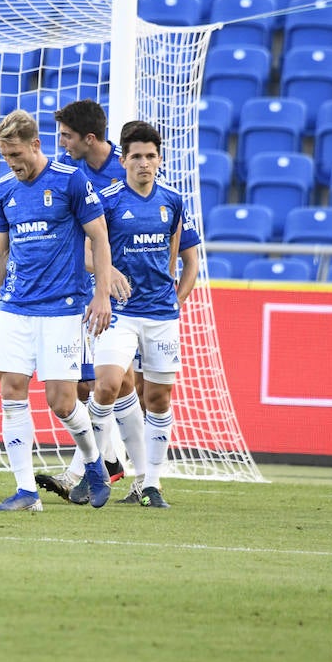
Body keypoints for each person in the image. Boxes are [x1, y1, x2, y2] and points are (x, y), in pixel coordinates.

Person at [0, 109, 114, 512]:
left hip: (62, 310)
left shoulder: (70, 180)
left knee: (61, 402)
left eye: (17, 154)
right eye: (6, 156)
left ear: (35, 145)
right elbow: (1, 251)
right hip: (15, 308)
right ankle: (26, 491)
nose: (12, 163)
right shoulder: (5, 189)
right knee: (11, 392)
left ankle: (94, 463)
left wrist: (103, 294)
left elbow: (100, 237)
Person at [88, 121, 200, 509]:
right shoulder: (107, 199)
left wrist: (177, 300)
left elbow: (185, 259)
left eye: (151, 156)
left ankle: (150, 483)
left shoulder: (173, 200)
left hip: (161, 315)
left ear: (160, 159)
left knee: (158, 397)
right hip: (117, 312)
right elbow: (87, 252)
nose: (144, 163)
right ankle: (93, 467)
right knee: (106, 385)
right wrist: (107, 272)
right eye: (136, 156)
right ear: (123, 160)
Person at [36, 98, 128, 498]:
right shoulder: (67, 171)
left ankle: (120, 471)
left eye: (67, 136)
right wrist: (103, 277)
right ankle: (107, 465)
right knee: (95, 385)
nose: (62, 144)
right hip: (91, 290)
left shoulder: (129, 165)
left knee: (124, 386)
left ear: (89, 138)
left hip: (133, 292)